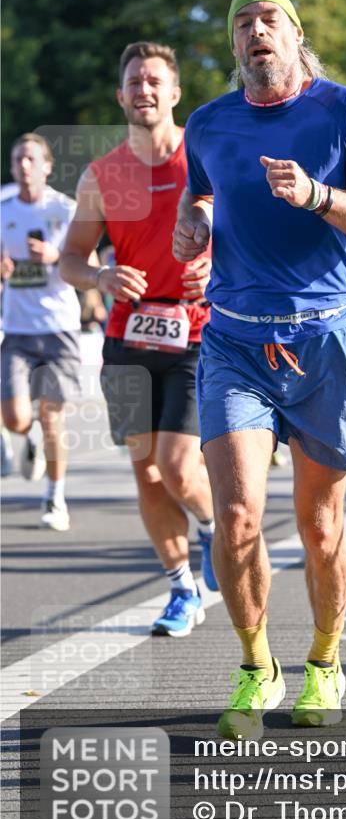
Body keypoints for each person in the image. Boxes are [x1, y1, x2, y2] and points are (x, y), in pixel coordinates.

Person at [172, 0, 346, 737]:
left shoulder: (343, 110)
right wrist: (192, 223)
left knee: (320, 523)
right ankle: (255, 667)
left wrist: (317, 196)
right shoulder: (207, 123)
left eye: (269, 19)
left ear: (296, 36)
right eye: (242, 22)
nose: (255, 30)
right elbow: (205, 198)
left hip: (320, 340)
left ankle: (325, 660)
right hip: (234, 341)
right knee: (237, 515)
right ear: (234, 44)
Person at [60, 41, 216, 636]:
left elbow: (248, 235)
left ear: (174, 93)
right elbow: (71, 259)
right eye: (133, 82)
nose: (143, 90)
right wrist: (99, 276)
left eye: (154, 81)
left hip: (195, 333)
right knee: (146, 472)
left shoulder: (205, 160)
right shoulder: (101, 176)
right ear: (120, 96)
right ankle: (182, 589)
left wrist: (216, 268)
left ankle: (212, 527)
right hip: (128, 336)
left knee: (177, 467)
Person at [1, 133, 81, 529]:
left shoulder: (65, 209)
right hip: (16, 329)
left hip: (58, 328)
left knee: (52, 415)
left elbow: (85, 262)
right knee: (15, 419)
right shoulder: (2, 207)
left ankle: (55, 498)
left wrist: (56, 256)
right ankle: (27, 436)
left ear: (47, 167)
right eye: (18, 159)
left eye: (31, 158)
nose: (24, 165)